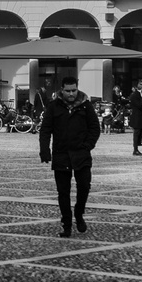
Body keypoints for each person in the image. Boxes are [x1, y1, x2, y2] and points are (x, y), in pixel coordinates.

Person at [39, 75, 100, 238]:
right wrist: (44, 150)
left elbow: (95, 127)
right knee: (63, 192)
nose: (71, 94)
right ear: (62, 90)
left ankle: (79, 214)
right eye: (68, 91)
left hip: (81, 154)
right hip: (61, 154)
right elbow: (45, 130)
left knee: (84, 187)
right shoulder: (54, 107)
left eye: (74, 90)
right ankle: (66, 224)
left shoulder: (86, 106)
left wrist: (88, 145)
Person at [129, 79, 142, 156]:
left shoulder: (141, 94)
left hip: (141, 116)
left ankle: (139, 145)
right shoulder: (134, 95)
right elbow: (139, 105)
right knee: (136, 133)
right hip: (136, 117)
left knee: (140, 132)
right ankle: (135, 149)